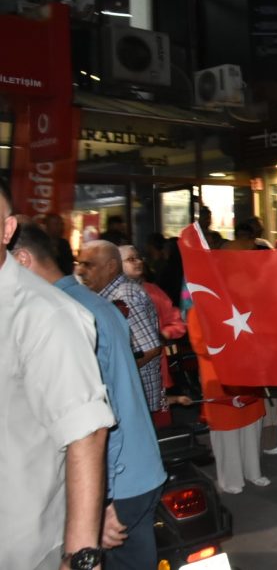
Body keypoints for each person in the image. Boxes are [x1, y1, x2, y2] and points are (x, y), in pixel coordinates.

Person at [12, 224, 167, 570]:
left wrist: (103, 500)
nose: (83, 270)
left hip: (115, 481)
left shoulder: (59, 313)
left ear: (22, 260)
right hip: (139, 469)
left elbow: (97, 417)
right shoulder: (94, 304)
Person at [0, 179, 114, 570]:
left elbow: (87, 432)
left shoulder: (44, 313)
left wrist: (81, 556)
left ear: (7, 230)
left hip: (22, 550)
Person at [77, 240, 165, 412]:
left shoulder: (124, 294)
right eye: (79, 264)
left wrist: (112, 374)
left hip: (134, 393)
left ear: (110, 266)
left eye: (88, 265)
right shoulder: (108, 293)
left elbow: (150, 348)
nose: (80, 271)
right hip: (129, 392)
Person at [189, 307, 269, 494]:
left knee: (251, 423)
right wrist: (232, 343)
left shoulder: (243, 301)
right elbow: (200, 345)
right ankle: (231, 479)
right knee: (227, 427)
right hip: (218, 374)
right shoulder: (200, 306)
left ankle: (253, 471)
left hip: (248, 370)